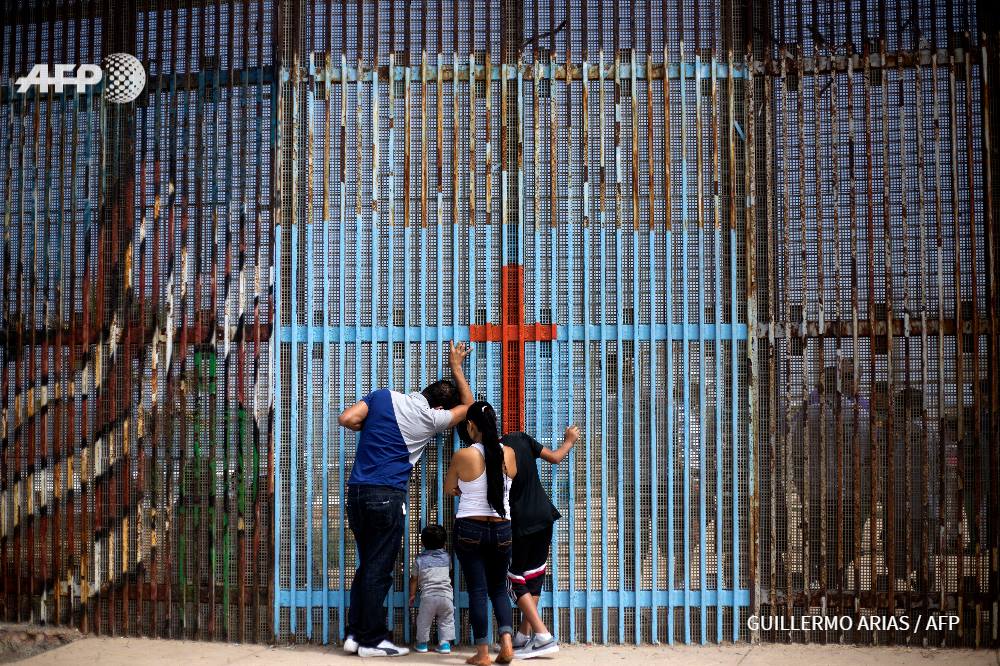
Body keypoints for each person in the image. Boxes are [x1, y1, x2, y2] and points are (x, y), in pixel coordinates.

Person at [338, 341, 473, 658]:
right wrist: (456, 366)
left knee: (367, 566)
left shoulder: (383, 396)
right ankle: (372, 640)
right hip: (386, 495)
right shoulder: (431, 419)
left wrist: (369, 427)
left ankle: (355, 634)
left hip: (356, 493)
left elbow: (346, 419)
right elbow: (468, 407)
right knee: (380, 569)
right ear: (439, 408)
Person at [444, 402, 518, 666]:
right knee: (499, 588)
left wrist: (464, 489)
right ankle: (507, 644)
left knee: (477, 589)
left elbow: (449, 488)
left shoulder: (463, 455)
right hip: (502, 527)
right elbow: (510, 483)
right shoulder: (509, 453)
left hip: (470, 528)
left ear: (471, 426)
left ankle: (483, 654)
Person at [504, 426, 579, 659]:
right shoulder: (521, 438)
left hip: (521, 521)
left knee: (514, 577)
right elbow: (556, 457)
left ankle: (543, 635)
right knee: (533, 575)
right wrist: (569, 440)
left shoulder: (493, 450)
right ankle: (523, 636)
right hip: (544, 516)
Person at [409, 524, 455, 654]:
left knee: (424, 621)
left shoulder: (420, 560)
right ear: (444, 542)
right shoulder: (447, 557)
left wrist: (412, 594)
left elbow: (413, 579)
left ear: (423, 543)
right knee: (446, 621)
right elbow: (450, 573)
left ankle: (422, 644)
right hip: (446, 597)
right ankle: (445, 645)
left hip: (428, 597)